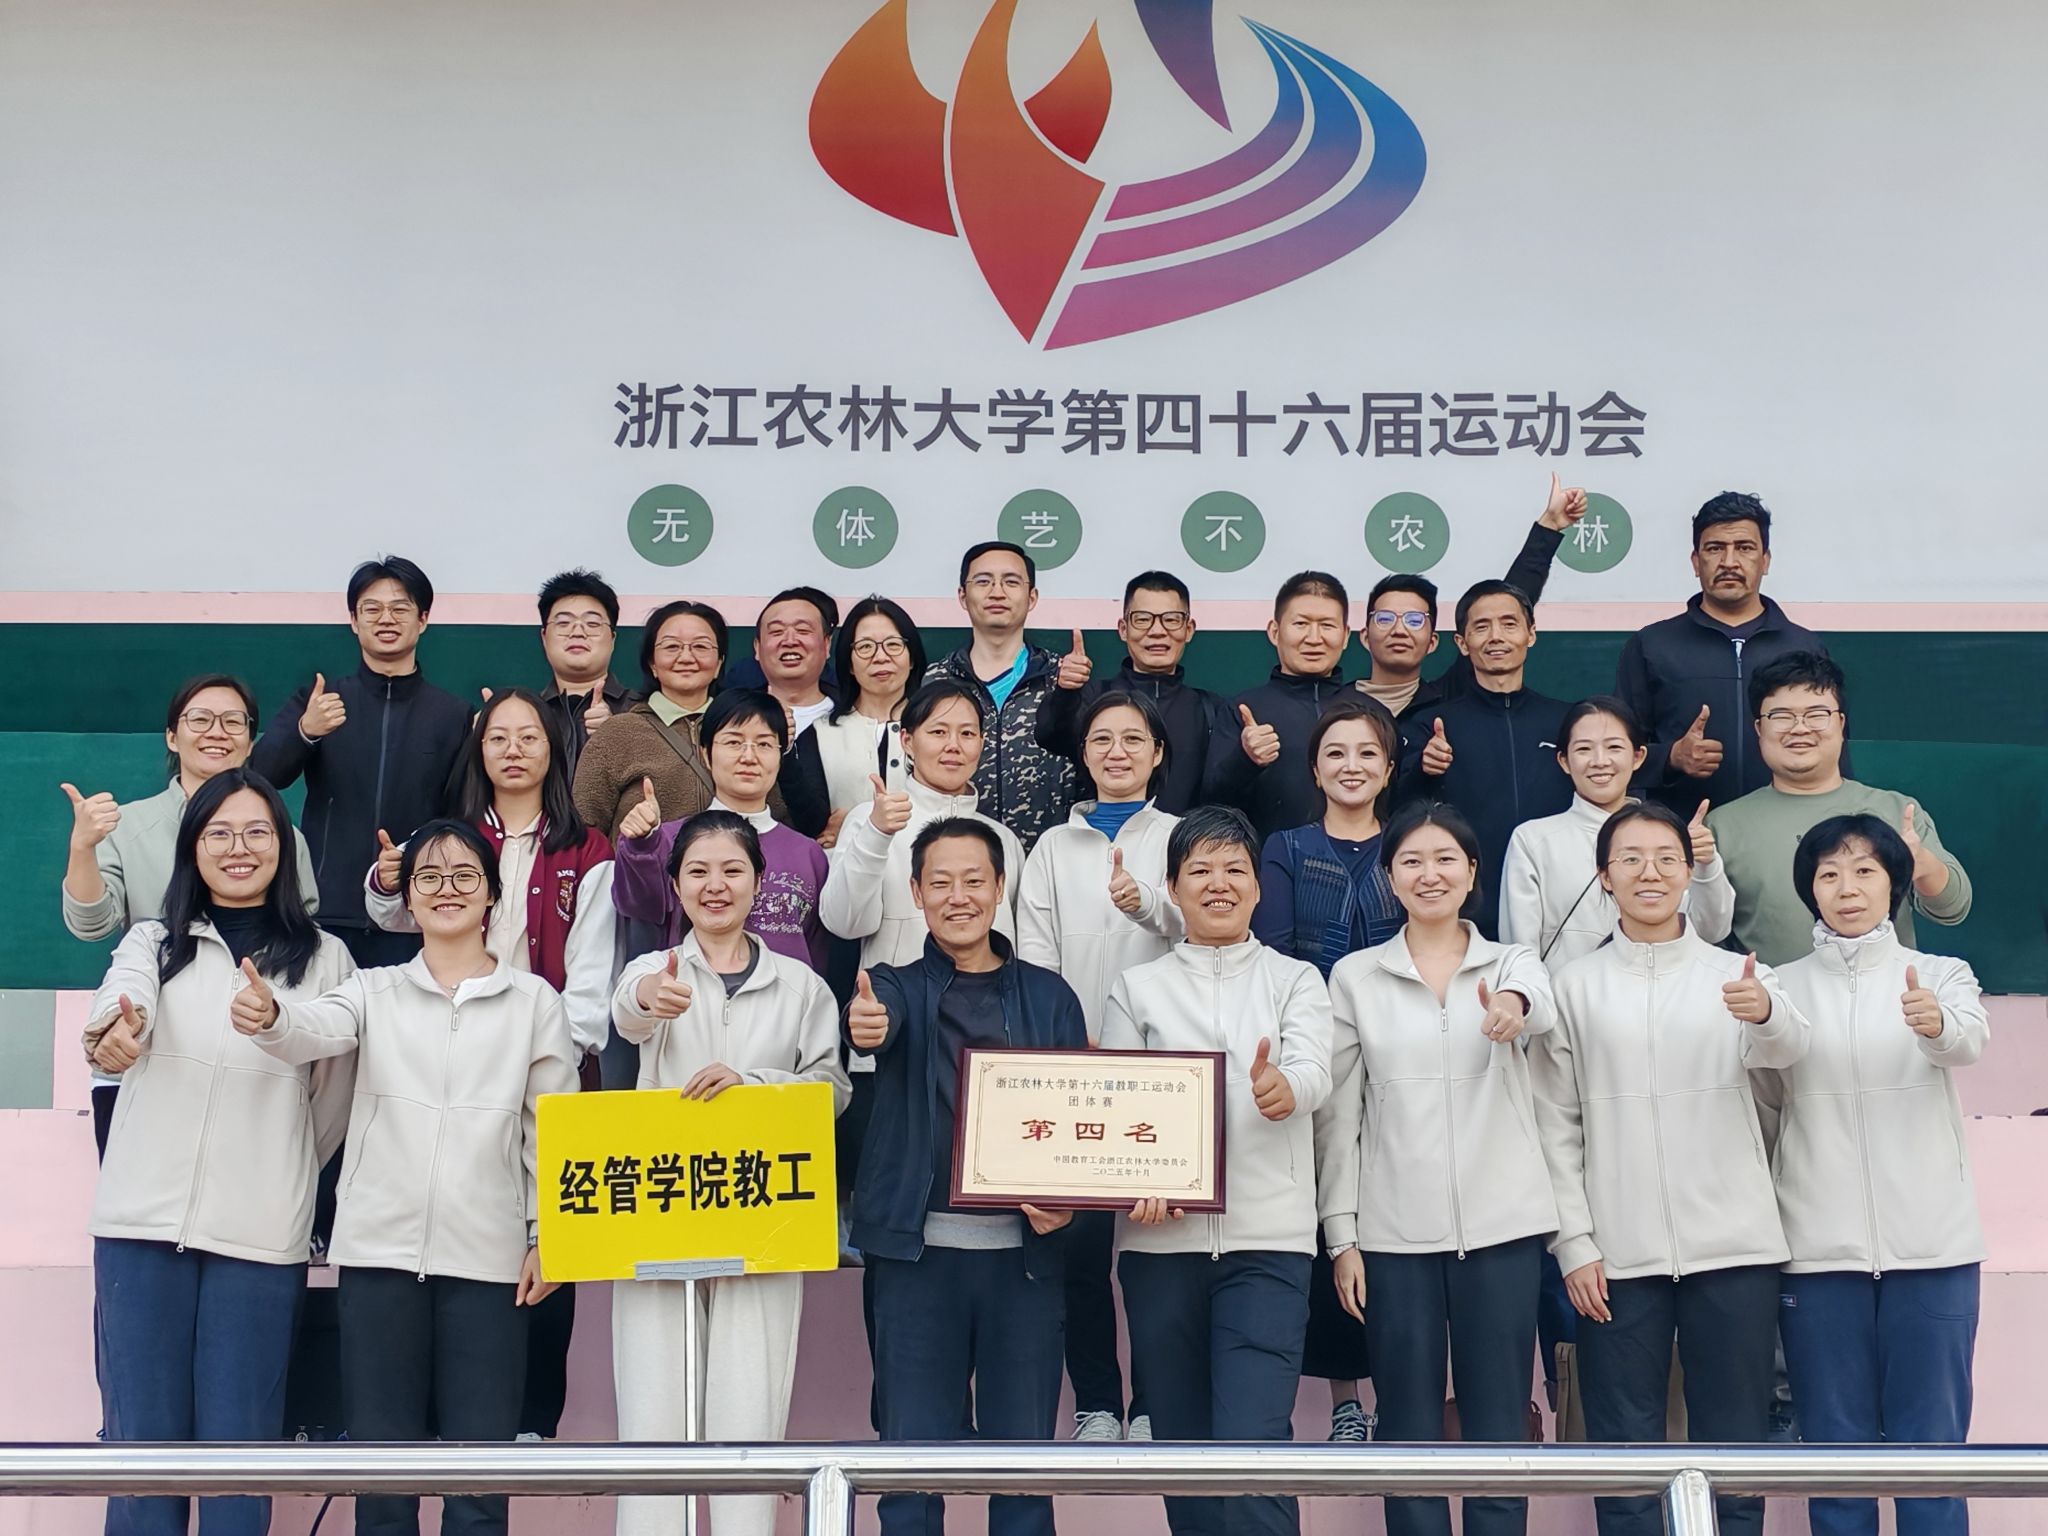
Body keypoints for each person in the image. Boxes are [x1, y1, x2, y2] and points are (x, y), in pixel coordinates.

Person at [237, 819, 578, 1536]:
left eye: (465, 876)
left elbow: (549, 1131)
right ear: (409, 898)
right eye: (429, 876)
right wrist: (271, 1016)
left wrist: (549, 1236)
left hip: (490, 1266)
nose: (447, 889)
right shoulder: (373, 990)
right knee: (382, 1489)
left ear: (491, 895)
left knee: (479, 1492)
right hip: (379, 1260)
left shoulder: (534, 1002)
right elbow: (310, 1028)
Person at [81, 770, 354, 1536]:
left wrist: (282, 1163)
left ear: (284, 848)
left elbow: (331, 1097)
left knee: (241, 1465)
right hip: (139, 1230)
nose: (240, 848)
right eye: (219, 833)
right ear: (192, 848)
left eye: (258, 832)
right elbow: (121, 1000)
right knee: (140, 1463)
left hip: (257, 1241)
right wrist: (114, 1030)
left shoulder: (325, 959)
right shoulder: (152, 941)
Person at [1529, 803, 1811, 1536]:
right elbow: (1555, 1123)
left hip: (1736, 1246)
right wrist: (1575, 1243)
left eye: (1666, 858)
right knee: (1623, 1456)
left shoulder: (1740, 975)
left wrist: (1767, 1016)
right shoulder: (1573, 987)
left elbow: (1787, 1067)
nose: (1649, 872)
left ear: (1690, 872)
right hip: (1616, 1255)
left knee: (1736, 1451)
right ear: (1604, 877)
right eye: (1630, 859)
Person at [361, 688, 614, 1444]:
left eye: (528, 736)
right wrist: (386, 879)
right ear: (478, 751)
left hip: (552, 1066)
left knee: (548, 1242)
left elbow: (590, 985)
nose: (512, 750)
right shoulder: (452, 838)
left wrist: (538, 1046)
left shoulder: (587, 849)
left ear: (554, 749)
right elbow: (393, 909)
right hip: (445, 1063)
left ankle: (527, 1425)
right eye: (497, 736)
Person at [1316, 802, 1558, 1536]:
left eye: (1446, 858)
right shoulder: (1356, 977)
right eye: (1412, 861)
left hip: (1504, 1229)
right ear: (1389, 878)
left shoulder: (1511, 962)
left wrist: (1512, 1006)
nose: (1430, 874)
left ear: (1473, 872)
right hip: (1395, 1237)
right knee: (1406, 1428)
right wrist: (1343, 1236)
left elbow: (1540, 1005)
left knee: (1499, 1428)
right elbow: (1340, 1116)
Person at [845, 817, 1088, 1536]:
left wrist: (1069, 1204)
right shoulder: (893, 986)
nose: (959, 897)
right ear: (916, 893)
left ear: (1000, 887)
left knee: (1023, 1476)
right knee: (910, 1475)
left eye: (974, 880)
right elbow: (875, 1020)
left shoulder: (1050, 997)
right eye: (941, 882)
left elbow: (1080, 1123)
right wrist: (867, 1024)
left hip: (1025, 1265)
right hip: (916, 1263)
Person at [611, 811, 850, 1536]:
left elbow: (831, 1089)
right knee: (653, 1413)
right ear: (675, 885)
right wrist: (650, 1002)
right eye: (697, 872)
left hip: (762, 1216)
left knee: (751, 1411)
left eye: (732, 870)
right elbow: (628, 1015)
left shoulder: (802, 985)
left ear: (759, 880)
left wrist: (755, 1084)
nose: (715, 886)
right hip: (661, 1214)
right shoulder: (652, 971)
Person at [1104, 806, 1334, 1536]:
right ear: (1172, 888)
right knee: (1182, 1454)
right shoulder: (1137, 988)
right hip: (1158, 1249)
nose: (1218, 884)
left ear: (1259, 887)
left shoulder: (1297, 980)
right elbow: (1114, 1106)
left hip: (1268, 1245)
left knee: (1255, 1448)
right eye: (1199, 870)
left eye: (1235, 869)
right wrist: (1133, 1181)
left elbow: (1314, 1069)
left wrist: (1285, 1088)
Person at [1762, 815, 1988, 1536]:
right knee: (1835, 1460)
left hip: (1933, 1250)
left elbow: (1967, 1043)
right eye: (1828, 874)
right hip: (1818, 1254)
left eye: (1864, 870)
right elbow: (1763, 1096)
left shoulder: (1942, 974)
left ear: (1894, 883)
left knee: (1934, 1457)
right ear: (1810, 891)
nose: (1847, 888)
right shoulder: (1779, 988)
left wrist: (1935, 1024)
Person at [1016, 691, 1181, 1443]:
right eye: (1102, 740)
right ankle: (1098, 1405)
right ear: (1082, 755)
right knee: (1079, 1254)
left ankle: (1153, 1405)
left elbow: (1201, 932)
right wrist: (1063, 1045)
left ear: (1158, 753)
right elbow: (1034, 957)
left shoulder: (1180, 837)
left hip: (1163, 1074)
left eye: (1133, 739)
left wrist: (1146, 903)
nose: (1117, 752)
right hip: (1074, 1070)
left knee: (1153, 1253)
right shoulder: (1052, 847)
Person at [60, 674, 320, 1153]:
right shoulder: (129, 826)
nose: (216, 732)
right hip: (140, 1052)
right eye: (199, 719)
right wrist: (82, 849)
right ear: (171, 736)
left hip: (250, 1067)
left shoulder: (283, 838)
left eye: (233, 722)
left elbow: (302, 939)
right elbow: (91, 925)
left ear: (251, 741)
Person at [1248, 696, 1402, 1442]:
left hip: (1405, 1049)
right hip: (1314, 1050)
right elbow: (1276, 950)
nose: (1351, 766)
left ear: (1389, 768)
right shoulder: (1286, 846)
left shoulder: (1411, 843)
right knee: (1325, 1220)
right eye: (1336, 753)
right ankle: (1346, 1399)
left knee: (1394, 1218)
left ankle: (1400, 1393)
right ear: (1314, 769)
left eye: (1367, 752)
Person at [250, 555, 472, 966]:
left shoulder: (453, 714)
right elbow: (261, 774)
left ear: (423, 620)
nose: (386, 619)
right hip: (326, 912)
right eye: (372, 609)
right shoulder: (320, 701)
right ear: (354, 621)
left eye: (400, 608)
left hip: (414, 914)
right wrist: (306, 731)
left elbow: (463, 812)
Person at [1708, 651, 1971, 966]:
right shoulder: (1722, 827)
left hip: (1883, 995)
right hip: (1767, 996)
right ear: (1759, 729)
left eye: (1817, 714)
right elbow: (1704, 931)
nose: (1800, 728)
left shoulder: (1895, 810)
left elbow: (1952, 909)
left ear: (1841, 723)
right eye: (1781, 716)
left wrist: (1922, 864)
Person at [1614, 491, 1836, 819]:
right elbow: (1616, 751)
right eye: (1715, 548)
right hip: (1681, 834)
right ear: (1695, 561)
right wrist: (1671, 757)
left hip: (1788, 830)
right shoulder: (1652, 646)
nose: (1729, 562)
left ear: (1765, 561)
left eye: (1744, 548)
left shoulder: (1804, 647)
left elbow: (1833, 750)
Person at [1500, 696, 1734, 970]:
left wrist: (1706, 863)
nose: (1600, 761)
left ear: (1638, 757)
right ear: (1564, 761)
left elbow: (1712, 930)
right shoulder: (1532, 841)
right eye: (1584, 749)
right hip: (1563, 997)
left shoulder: (1673, 838)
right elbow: (1520, 956)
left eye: (1614, 747)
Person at [1397, 580, 1572, 938]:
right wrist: (1424, 770)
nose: (1496, 637)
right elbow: (1396, 809)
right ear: (1462, 643)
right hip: (1466, 914)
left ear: (1531, 634)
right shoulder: (1430, 725)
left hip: (1562, 910)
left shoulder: (1567, 722)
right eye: (1481, 627)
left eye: (1509, 624)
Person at [611, 690, 831, 972]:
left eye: (764, 744)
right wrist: (641, 845)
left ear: (780, 756)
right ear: (706, 753)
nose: (749, 757)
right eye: (733, 742)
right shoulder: (667, 840)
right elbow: (638, 906)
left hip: (786, 998)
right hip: (690, 994)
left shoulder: (809, 854)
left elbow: (819, 954)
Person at [819, 679, 1025, 969]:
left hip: (990, 996)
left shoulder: (1003, 839)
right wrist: (876, 835)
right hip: (898, 995)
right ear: (907, 741)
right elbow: (844, 923)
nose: (953, 746)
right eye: (938, 732)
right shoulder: (870, 820)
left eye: (967, 733)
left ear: (982, 744)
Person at [1352, 473, 1587, 719]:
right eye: (1385, 619)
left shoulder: (1446, 699)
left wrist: (1549, 527)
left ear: (1432, 642)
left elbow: (1509, 600)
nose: (1399, 630)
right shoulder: (1337, 704)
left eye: (1414, 620)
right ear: (1364, 637)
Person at [1033, 569, 1242, 813]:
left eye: (1171, 619)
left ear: (1188, 629)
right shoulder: (1093, 697)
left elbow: (1222, 788)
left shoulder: (1210, 709)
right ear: (1123, 629)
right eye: (1142, 619)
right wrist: (1066, 692)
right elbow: (1049, 735)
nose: (1157, 631)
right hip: (1105, 834)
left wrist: (1248, 758)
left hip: (1186, 837)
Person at [924, 541, 1078, 851]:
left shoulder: (1063, 679)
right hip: (960, 860)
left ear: (1031, 597)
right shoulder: (936, 681)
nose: (997, 592)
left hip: (1050, 858)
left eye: (1011, 582)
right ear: (962, 596)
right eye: (983, 581)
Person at [571, 599, 731, 840]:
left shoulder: (741, 730)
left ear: (719, 663)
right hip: (639, 865)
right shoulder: (618, 732)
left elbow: (775, 817)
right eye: (671, 646)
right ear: (652, 664)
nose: (686, 657)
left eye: (701, 646)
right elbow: (585, 830)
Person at [1231, 570, 1358, 841]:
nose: (1314, 638)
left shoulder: (1368, 712)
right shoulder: (1243, 709)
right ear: (1274, 632)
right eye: (1301, 624)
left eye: (1327, 625)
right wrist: (1245, 760)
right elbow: (1211, 799)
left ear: (1346, 635)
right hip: (1267, 861)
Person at [803, 596, 927, 848]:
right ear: (849, 663)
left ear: (912, 658)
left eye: (893, 645)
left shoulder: (937, 729)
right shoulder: (818, 734)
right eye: (865, 647)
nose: (880, 657)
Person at [535, 569, 636, 774]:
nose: (578, 632)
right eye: (564, 623)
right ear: (544, 638)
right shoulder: (528, 712)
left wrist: (617, 737)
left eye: (592, 624)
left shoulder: (641, 710)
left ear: (612, 639)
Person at [750, 586, 839, 735]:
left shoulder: (855, 714)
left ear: (826, 644)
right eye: (777, 631)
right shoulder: (731, 715)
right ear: (757, 648)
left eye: (803, 630)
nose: (790, 641)